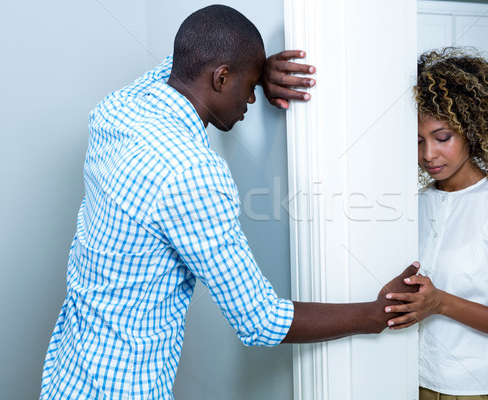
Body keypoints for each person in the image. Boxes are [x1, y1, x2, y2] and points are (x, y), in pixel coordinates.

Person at [39, 5, 417, 399]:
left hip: (67, 374)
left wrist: (253, 67)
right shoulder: (191, 172)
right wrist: (374, 316)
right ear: (221, 77)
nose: (252, 99)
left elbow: (184, 60)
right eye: (249, 86)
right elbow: (260, 320)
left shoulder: (118, 108)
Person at [384, 47, 488, 400]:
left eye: (442, 138)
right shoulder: (413, 204)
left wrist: (442, 303)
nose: (428, 154)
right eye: (418, 141)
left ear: (473, 131)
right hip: (404, 383)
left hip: (475, 390)